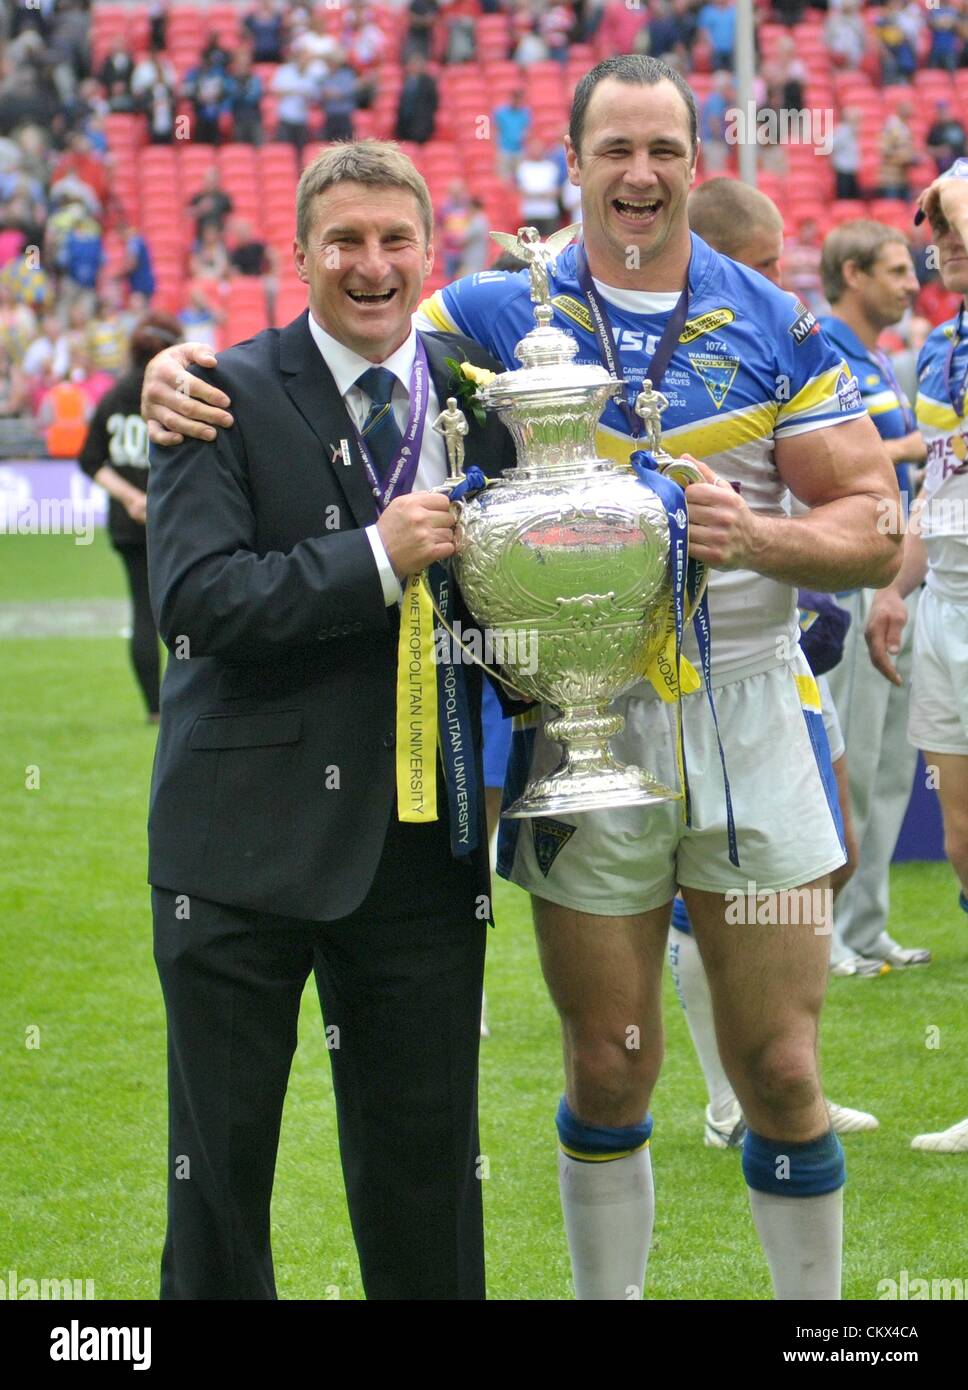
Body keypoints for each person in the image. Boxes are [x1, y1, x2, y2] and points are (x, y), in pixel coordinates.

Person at [140, 58, 902, 1302]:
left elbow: (874, 526)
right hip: (573, 717)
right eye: (615, 151)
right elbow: (333, 331)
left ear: (696, 164)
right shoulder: (490, 316)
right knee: (606, 1059)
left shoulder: (776, 320)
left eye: (663, 149)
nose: (640, 174)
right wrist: (168, 368)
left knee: (777, 1070)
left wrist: (756, 537)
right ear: (575, 161)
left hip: (746, 704)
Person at [144, 140, 516, 1299]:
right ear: (301, 253)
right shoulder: (220, 389)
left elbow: (507, 605)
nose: (370, 265)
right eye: (343, 242)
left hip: (418, 846)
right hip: (237, 846)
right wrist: (369, 558)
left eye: (393, 240)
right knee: (218, 1183)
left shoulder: (480, 398)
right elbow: (196, 604)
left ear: (427, 251)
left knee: (428, 1178)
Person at [867, 166, 968, 1156]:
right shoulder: (937, 348)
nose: (935, 237)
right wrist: (896, 588)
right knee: (959, 846)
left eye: (946, 225)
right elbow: (935, 485)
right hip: (945, 600)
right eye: (931, 224)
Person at [818, 220, 931, 971]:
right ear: (852, 274)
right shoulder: (824, 350)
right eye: (894, 270)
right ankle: (823, 937)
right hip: (856, 571)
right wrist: (906, 447)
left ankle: (866, 926)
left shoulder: (883, 361)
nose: (911, 283)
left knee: (892, 762)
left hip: (899, 571)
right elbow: (820, 454)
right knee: (850, 754)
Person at [77, 313, 184, 722]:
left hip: (128, 524)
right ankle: (182, 703)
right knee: (181, 607)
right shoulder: (174, 393)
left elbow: (90, 460)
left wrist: (128, 497)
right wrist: (145, 498)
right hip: (172, 521)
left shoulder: (112, 397)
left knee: (143, 611)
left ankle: (155, 710)